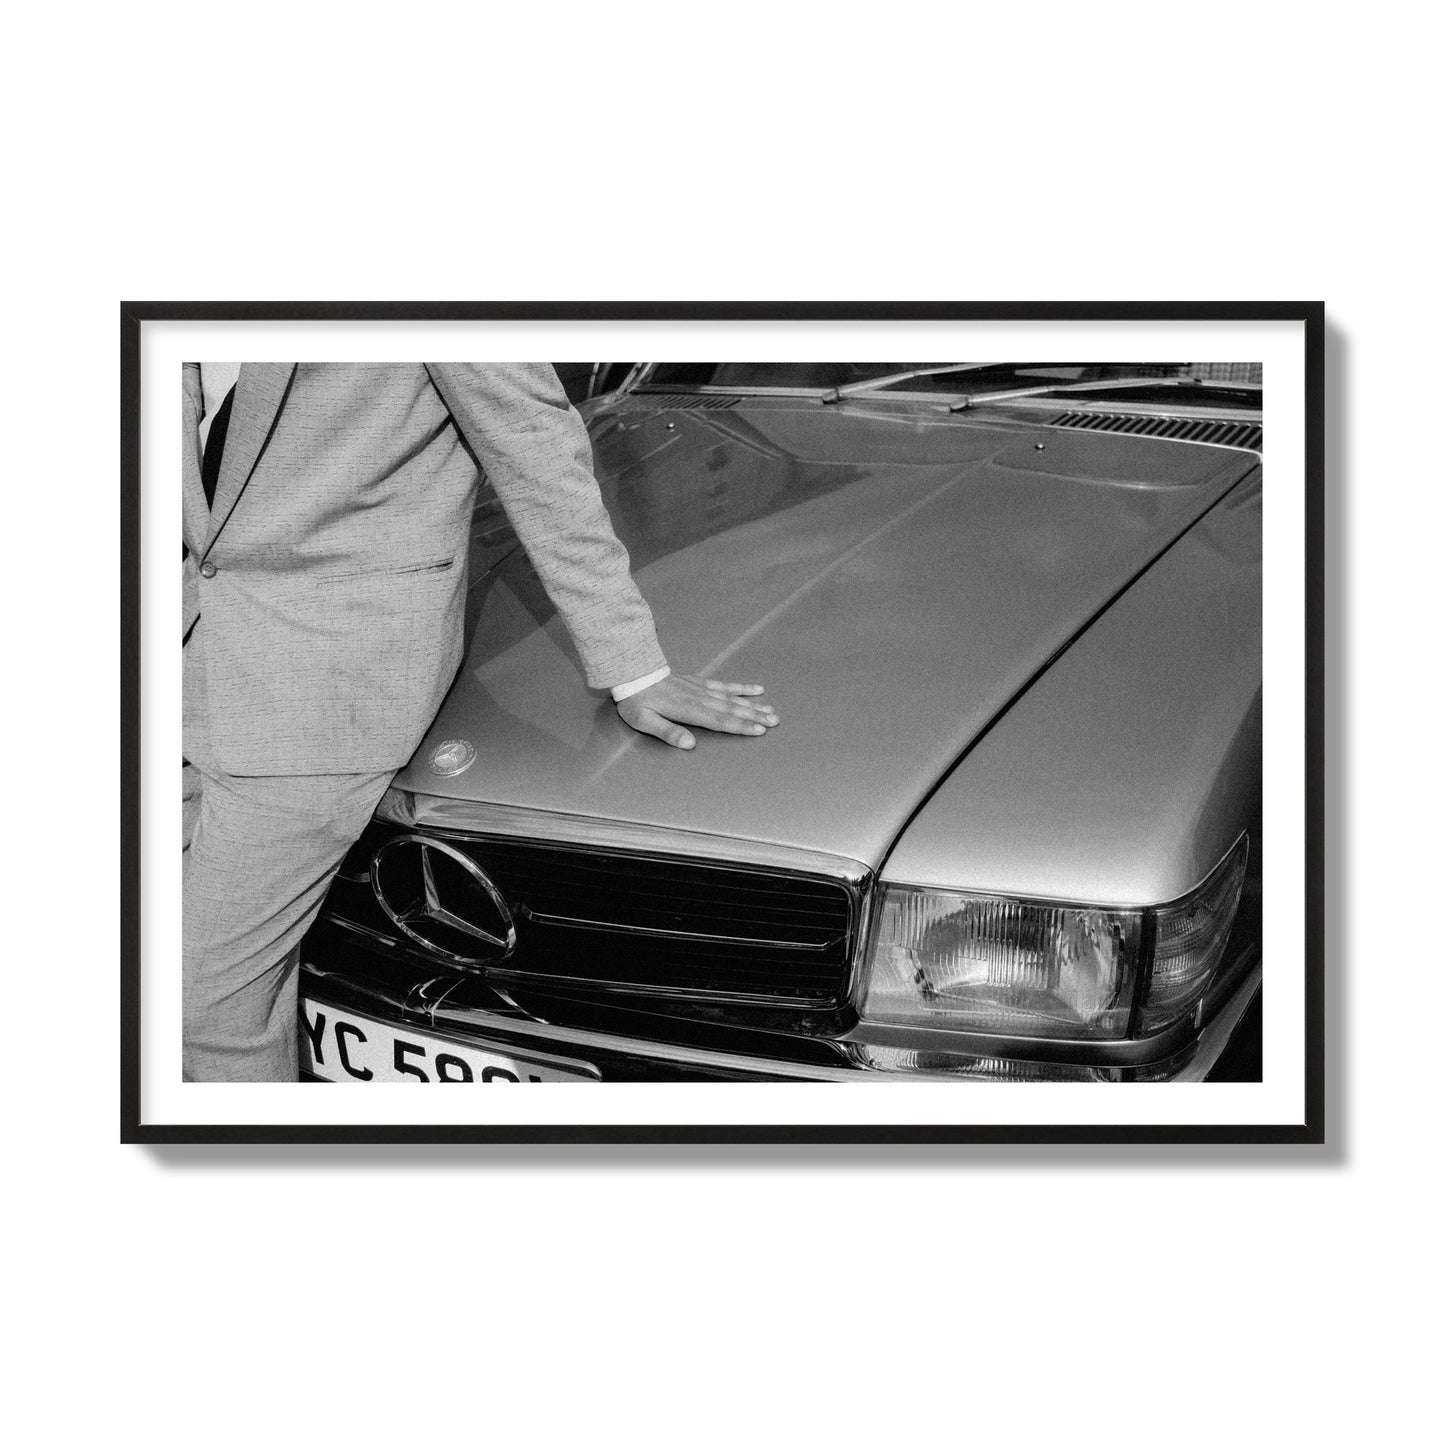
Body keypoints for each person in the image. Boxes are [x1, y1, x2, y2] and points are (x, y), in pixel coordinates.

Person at [182, 362, 778, 1082]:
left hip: (328, 673)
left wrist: (634, 667)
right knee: (205, 972)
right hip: (188, 649)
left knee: (199, 1002)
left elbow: (534, 441)